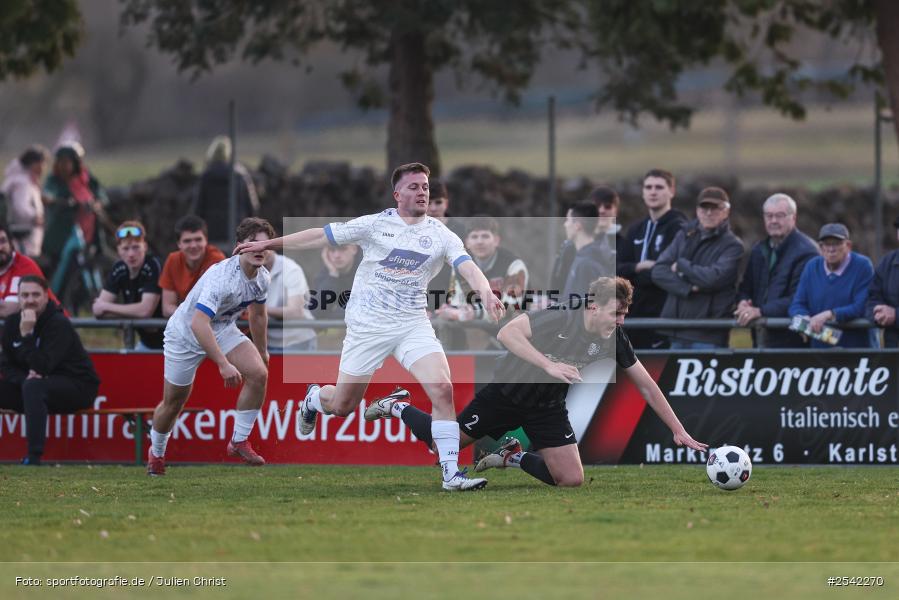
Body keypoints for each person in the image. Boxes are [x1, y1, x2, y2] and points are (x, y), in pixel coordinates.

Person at [234, 162, 506, 491]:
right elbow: (320, 236)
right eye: (414, 187)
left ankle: (451, 474)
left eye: (425, 186)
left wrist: (486, 292)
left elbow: (467, 267)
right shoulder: (375, 224)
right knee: (343, 406)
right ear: (397, 195)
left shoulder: (441, 234)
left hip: (412, 324)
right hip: (368, 327)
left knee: (442, 389)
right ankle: (315, 399)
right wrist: (267, 244)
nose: (422, 192)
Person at [363, 277, 707, 487]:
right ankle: (397, 405)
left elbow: (645, 383)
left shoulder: (614, 337)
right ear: (593, 306)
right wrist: (549, 365)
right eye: (615, 313)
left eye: (624, 315)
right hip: (505, 396)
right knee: (442, 449)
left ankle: (512, 457)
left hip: (547, 408)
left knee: (571, 480)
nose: (620, 321)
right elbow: (507, 333)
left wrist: (678, 430)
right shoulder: (561, 315)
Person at [147, 218, 273, 476]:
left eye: (265, 244)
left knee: (259, 373)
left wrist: (262, 351)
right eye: (253, 243)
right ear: (239, 246)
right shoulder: (221, 277)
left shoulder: (263, 278)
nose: (259, 248)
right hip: (185, 335)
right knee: (173, 403)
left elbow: (258, 315)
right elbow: (198, 323)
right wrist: (223, 364)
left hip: (222, 328)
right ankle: (156, 453)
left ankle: (239, 441)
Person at [0, 276, 100, 465]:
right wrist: (24, 379)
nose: (30, 300)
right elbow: (6, 365)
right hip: (35, 387)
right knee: (29, 386)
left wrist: (27, 335)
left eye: (36, 295)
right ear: (18, 298)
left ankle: (33, 456)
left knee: (34, 387)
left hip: (77, 386)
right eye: (25, 295)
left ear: (46, 296)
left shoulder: (58, 323)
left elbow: (43, 366)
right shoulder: (12, 323)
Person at [651, 187, 744, 349]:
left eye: (715, 208)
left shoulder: (733, 245)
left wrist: (681, 266)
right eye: (704, 207)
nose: (708, 213)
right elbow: (658, 271)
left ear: (726, 212)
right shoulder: (684, 234)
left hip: (708, 334)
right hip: (675, 330)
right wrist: (687, 288)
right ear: (697, 210)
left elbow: (713, 279)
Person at [735, 193, 818, 347]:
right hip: (761, 337)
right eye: (769, 216)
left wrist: (761, 311)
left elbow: (799, 298)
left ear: (793, 218)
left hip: (792, 342)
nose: (773, 221)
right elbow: (746, 287)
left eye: (780, 215)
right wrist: (743, 302)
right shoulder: (759, 250)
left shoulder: (808, 252)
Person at [617, 169, 687, 349]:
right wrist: (639, 267)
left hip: (663, 317)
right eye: (648, 187)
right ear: (643, 192)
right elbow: (617, 269)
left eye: (659, 187)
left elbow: (669, 272)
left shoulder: (679, 227)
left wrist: (636, 275)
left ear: (672, 191)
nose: (653, 192)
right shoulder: (636, 229)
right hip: (633, 316)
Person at [790, 223, 874, 349]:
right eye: (826, 244)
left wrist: (829, 314)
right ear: (820, 248)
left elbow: (861, 306)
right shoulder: (811, 266)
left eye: (836, 243)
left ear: (848, 246)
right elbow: (797, 304)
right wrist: (803, 317)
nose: (831, 249)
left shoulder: (863, 266)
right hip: (820, 350)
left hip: (857, 350)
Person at [42, 143, 109, 293]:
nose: (64, 166)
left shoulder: (85, 177)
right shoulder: (54, 180)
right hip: (64, 233)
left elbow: (101, 194)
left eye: (68, 162)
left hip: (89, 230)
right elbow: (48, 193)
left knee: (92, 262)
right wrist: (56, 200)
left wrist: (97, 204)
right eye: (61, 162)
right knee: (62, 263)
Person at [438, 215, 528, 323]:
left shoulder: (513, 265)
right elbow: (457, 301)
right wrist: (450, 310)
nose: (479, 241)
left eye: (485, 236)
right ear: (467, 242)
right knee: (442, 322)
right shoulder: (461, 264)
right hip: (476, 324)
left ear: (496, 240)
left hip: (513, 324)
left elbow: (511, 306)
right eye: (474, 237)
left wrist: (475, 313)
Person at [91, 221, 164, 349]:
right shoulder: (119, 269)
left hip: (172, 344)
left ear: (145, 247)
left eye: (136, 247)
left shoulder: (152, 265)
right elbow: (97, 310)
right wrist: (135, 313)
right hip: (146, 344)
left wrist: (107, 307)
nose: (131, 254)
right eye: (125, 248)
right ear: (118, 250)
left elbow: (145, 311)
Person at [191, 135, 260, 250]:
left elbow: (197, 210)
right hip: (238, 233)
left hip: (211, 235)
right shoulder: (241, 175)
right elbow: (253, 207)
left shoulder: (205, 177)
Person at [551, 186, 621, 292]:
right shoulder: (570, 247)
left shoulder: (589, 260)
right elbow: (559, 285)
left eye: (607, 206)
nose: (601, 210)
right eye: (597, 206)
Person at [159, 215, 226, 317]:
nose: (193, 245)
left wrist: (188, 316)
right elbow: (167, 308)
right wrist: (191, 317)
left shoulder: (217, 260)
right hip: (186, 322)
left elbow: (219, 307)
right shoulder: (173, 260)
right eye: (187, 241)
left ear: (206, 240)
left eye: (198, 239)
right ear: (179, 244)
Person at [0, 221, 61, 318]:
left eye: (3, 241)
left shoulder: (23, 266)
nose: (0, 248)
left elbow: (10, 310)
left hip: (53, 324)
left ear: (11, 243)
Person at [263, 250, 317, 352]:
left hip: (296, 341)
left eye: (262, 245)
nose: (257, 249)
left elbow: (296, 311)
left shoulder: (291, 269)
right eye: (251, 245)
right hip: (266, 341)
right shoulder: (246, 268)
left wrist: (256, 310)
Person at [560, 203, 614, 304]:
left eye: (568, 220)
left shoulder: (586, 263)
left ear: (577, 225)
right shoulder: (584, 257)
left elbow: (580, 308)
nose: (565, 224)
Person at [1, 145, 49, 257]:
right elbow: (20, 207)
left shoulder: (17, 178)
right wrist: (35, 217)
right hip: (23, 238)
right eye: (42, 163)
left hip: (15, 234)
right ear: (34, 163)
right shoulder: (23, 182)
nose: (43, 167)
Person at [867, 216, 899, 347]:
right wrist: (878, 313)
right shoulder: (887, 263)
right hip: (893, 349)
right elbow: (872, 297)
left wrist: (896, 315)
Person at [309, 244, 359, 319]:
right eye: (332, 250)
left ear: (354, 249)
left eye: (343, 249)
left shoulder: (367, 272)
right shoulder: (325, 275)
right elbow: (316, 313)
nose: (336, 255)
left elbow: (362, 312)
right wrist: (333, 274)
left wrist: (332, 313)